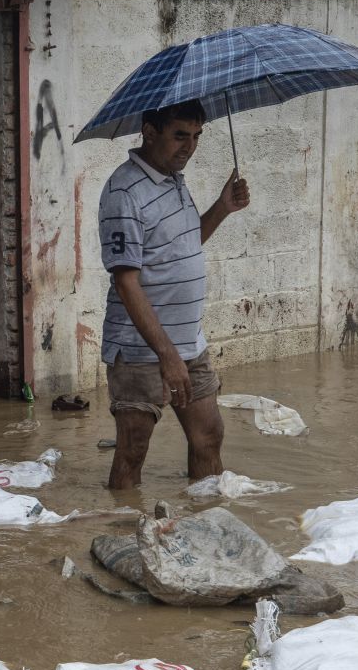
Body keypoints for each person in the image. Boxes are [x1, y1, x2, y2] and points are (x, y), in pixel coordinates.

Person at [99, 99, 251, 491]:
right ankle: (123, 530)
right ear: (150, 133)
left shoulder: (173, 181)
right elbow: (125, 281)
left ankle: (205, 525)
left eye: (197, 136)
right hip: (139, 350)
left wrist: (222, 207)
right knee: (133, 449)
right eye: (180, 135)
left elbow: (182, 247)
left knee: (209, 435)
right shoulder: (123, 192)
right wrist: (166, 355)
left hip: (189, 343)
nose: (189, 147)